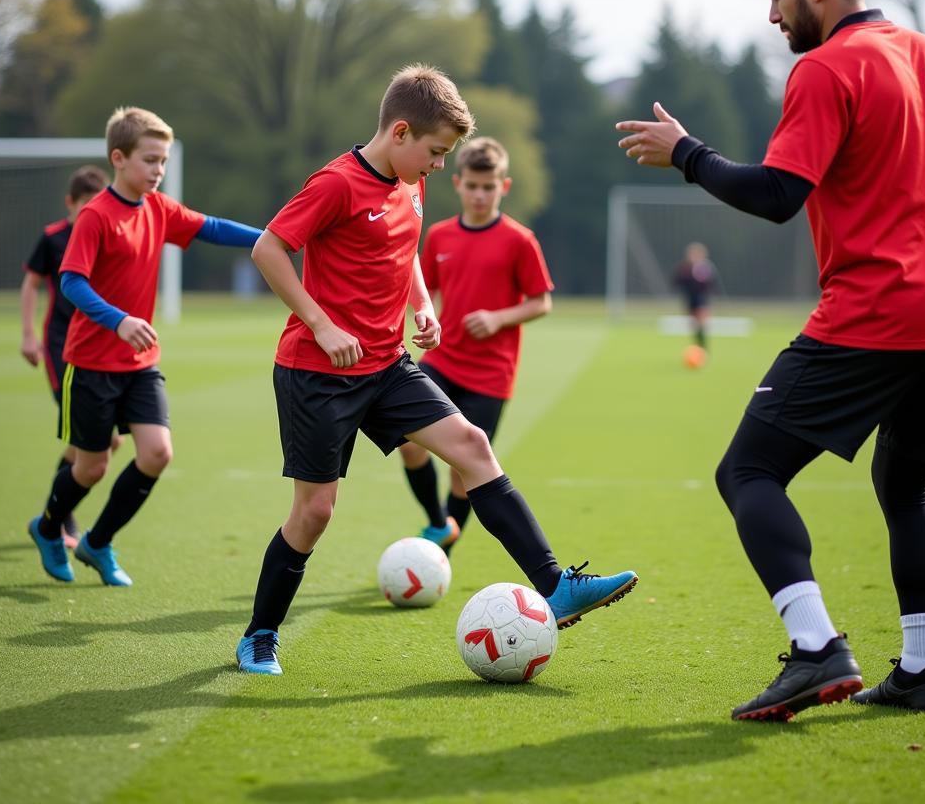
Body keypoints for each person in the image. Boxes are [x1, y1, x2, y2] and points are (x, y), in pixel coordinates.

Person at [616, 0, 925, 721]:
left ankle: (818, 648)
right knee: (904, 483)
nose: (774, 14)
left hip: (877, 311)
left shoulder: (829, 69)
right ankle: (922, 672)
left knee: (747, 472)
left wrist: (687, 152)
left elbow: (779, 196)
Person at [237, 64, 637, 675]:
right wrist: (321, 323)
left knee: (472, 446)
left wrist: (420, 304)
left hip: (387, 363)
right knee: (315, 513)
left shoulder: (411, 180)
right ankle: (260, 634)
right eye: (436, 152)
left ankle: (556, 586)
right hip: (316, 371)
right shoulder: (336, 184)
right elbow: (269, 248)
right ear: (400, 132)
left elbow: (405, 254)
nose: (441, 167)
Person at [27, 106, 263, 587]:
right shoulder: (95, 216)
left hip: (139, 364)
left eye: (163, 160)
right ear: (119, 157)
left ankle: (97, 541)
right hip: (90, 363)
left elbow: (211, 227)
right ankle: (49, 528)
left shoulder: (159, 208)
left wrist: (276, 238)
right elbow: (70, 282)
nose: (159, 170)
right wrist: (119, 321)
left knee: (157, 453)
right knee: (91, 465)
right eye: (150, 160)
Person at [397, 136, 553, 554]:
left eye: (489, 187)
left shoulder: (520, 241)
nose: (480, 194)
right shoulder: (441, 235)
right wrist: (421, 318)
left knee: (464, 471)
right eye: (473, 185)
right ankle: (437, 522)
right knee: (407, 440)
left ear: (504, 187)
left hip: (491, 374)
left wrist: (498, 317)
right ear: (459, 184)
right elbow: (422, 291)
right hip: (443, 360)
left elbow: (542, 301)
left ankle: (439, 555)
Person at [21, 165, 113, 548]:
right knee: (88, 440)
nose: (94, 212)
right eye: (86, 206)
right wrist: (28, 335)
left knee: (101, 441)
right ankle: (59, 518)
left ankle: (55, 513)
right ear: (70, 204)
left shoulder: (107, 233)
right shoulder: (53, 238)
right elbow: (31, 283)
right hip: (62, 344)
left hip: (99, 343)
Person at [672, 242, 717, 354]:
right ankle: (698, 347)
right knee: (694, 325)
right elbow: (677, 282)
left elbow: (710, 284)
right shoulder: (684, 268)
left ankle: (703, 348)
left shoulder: (705, 268)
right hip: (690, 300)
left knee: (701, 323)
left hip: (702, 299)